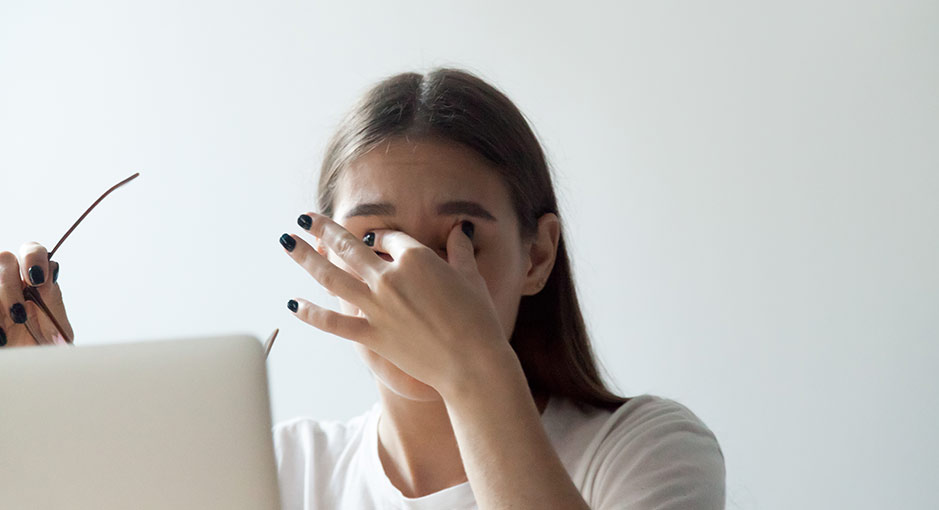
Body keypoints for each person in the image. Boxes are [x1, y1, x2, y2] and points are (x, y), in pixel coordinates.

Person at [0, 67, 726, 509]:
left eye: (461, 234)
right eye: (370, 238)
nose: (407, 272)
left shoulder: (643, 451)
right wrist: (41, 406)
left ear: (537, 256)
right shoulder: (272, 472)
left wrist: (471, 369)